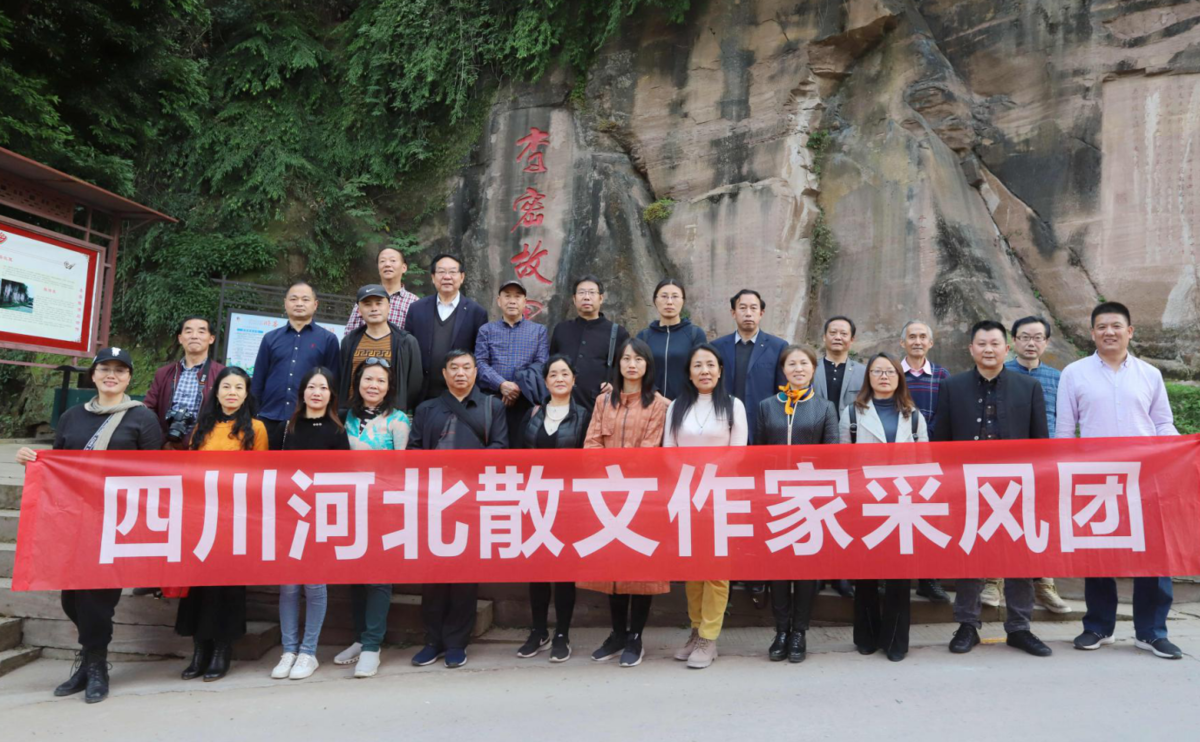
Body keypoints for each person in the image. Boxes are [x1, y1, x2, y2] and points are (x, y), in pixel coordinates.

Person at [15, 348, 162, 704]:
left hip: (116, 523)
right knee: (72, 599)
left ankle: (96, 666)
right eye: (105, 369)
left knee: (97, 598)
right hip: (72, 520)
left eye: (120, 370)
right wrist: (32, 461)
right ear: (93, 375)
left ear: (129, 378)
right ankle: (88, 661)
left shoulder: (142, 419)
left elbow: (156, 472)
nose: (111, 375)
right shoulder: (71, 417)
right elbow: (57, 465)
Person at [1058, 302, 1183, 660]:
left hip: (1146, 476)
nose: (1108, 332)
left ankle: (1151, 632)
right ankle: (1099, 626)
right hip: (1095, 478)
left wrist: (1180, 453)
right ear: (1092, 333)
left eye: (1116, 326)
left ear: (1130, 331)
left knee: (1153, 553)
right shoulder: (1074, 373)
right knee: (1098, 553)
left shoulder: (1149, 374)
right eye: (1101, 326)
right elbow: (1065, 430)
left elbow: (1163, 424)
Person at [932, 320, 1052, 658]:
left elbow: (1040, 444)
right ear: (971, 348)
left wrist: (1038, 487)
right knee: (970, 555)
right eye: (981, 343)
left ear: (1006, 348)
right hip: (967, 487)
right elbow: (940, 441)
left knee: (1019, 558)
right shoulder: (952, 387)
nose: (988, 349)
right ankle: (967, 625)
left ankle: (1019, 627)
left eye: (995, 343)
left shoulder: (1028, 387)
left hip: (1016, 487)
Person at [408, 350, 507, 669]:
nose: (461, 373)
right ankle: (432, 640)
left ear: (476, 372)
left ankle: (456, 642)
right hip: (434, 500)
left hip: (471, 500)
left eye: (467, 367)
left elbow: (500, 448)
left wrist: (463, 465)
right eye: (454, 368)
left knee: (464, 574)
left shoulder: (492, 406)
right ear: (444, 373)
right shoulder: (427, 409)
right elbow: (413, 450)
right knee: (433, 573)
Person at [580, 338, 670, 667]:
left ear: (648, 365)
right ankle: (617, 633)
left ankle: (635, 637)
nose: (632, 364)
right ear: (618, 364)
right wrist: (607, 478)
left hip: (641, 497)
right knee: (612, 567)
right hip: (606, 495)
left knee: (640, 569)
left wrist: (618, 473)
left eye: (638, 359)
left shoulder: (660, 404)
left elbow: (649, 451)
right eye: (626, 359)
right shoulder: (604, 401)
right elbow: (591, 444)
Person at [177, 366, 269, 681]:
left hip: (234, 518)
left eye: (239, 388)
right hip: (201, 516)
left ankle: (221, 649)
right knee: (198, 584)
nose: (232, 392)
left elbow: (259, 476)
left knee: (226, 585)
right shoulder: (201, 427)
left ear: (246, 394)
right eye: (226, 386)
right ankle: (199, 649)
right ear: (216, 392)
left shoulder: (256, 428)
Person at [839, 353, 928, 662]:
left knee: (899, 575)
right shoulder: (852, 413)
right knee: (865, 573)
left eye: (889, 371)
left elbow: (924, 463)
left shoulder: (913, 415)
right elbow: (843, 462)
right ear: (868, 377)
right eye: (877, 371)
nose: (884, 376)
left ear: (899, 376)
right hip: (865, 502)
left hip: (903, 503)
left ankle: (895, 642)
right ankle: (866, 637)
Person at [664, 344, 748, 669]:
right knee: (693, 567)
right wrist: (690, 478)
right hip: (685, 494)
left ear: (720, 370)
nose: (705, 371)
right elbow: (668, 449)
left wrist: (707, 476)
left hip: (721, 495)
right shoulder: (677, 406)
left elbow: (738, 451)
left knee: (716, 569)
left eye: (710, 365)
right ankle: (696, 629)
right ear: (689, 372)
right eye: (698, 365)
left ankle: (709, 638)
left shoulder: (733, 405)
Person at [754, 344, 839, 663]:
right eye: (792, 364)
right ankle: (781, 630)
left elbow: (832, 455)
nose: (798, 369)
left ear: (813, 369)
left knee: (805, 568)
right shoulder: (767, 406)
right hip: (775, 500)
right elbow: (758, 453)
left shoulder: (824, 407)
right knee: (778, 567)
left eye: (804, 363)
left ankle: (800, 631)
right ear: (783, 369)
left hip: (809, 500)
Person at [333, 358, 412, 678]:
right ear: (358, 383)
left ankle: (372, 646)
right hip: (348, 505)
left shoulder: (398, 420)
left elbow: (402, 469)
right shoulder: (343, 417)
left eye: (380, 380)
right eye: (368, 379)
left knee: (379, 576)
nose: (373, 385)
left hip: (383, 507)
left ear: (389, 386)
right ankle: (359, 637)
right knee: (355, 574)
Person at [271, 367, 350, 681]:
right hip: (288, 516)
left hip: (319, 517)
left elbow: (342, 479)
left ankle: (308, 652)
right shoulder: (285, 429)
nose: (317, 393)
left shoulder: (336, 431)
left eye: (324, 388)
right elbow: (270, 473)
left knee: (315, 585)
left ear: (331, 395)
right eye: (312, 387)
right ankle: (289, 650)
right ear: (302, 391)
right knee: (288, 585)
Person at [514, 355, 592, 662]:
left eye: (565, 373)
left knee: (563, 570)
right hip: (534, 500)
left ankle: (562, 633)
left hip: (567, 503)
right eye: (553, 374)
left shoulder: (584, 416)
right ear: (546, 382)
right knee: (536, 569)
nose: (559, 378)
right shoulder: (533, 413)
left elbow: (587, 460)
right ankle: (538, 631)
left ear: (574, 379)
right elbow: (519, 455)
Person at [1003, 316, 1069, 614]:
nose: (1031, 343)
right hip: (1007, 461)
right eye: (1025, 337)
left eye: (1038, 338)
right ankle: (993, 580)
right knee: (1001, 518)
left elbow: (1064, 419)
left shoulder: (1058, 377)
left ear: (1046, 342)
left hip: (1046, 463)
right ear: (1014, 340)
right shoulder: (1001, 372)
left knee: (1044, 522)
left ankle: (1045, 583)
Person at [251, 281, 341, 449]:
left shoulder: (328, 339)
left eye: (305, 299)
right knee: (266, 463)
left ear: (315, 305)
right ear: (285, 303)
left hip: (308, 420)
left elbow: (332, 383)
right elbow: (258, 380)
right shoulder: (270, 338)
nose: (299, 303)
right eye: (293, 299)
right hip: (269, 417)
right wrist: (253, 415)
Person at [812, 315, 865, 599]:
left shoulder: (863, 372)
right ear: (824, 337)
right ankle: (819, 570)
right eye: (833, 332)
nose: (838, 337)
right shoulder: (810, 368)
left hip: (849, 449)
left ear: (852, 340)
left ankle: (843, 572)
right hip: (815, 448)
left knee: (846, 511)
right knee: (817, 510)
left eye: (844, 333)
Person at [899, 319, 951, 604]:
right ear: (902, 342)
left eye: (922, 337)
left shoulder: (942, 375)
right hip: (897, 457)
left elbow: (946, 413)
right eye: (912, 337)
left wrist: (927, 442)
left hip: (932, 458)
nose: (917, 341)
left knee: (930, 516)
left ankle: (928, 579)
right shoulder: (893, 372)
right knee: (895, 514)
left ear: (930, 343)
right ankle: (892, 576)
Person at [402, 253, 488, 401]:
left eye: (453, 272)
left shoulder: (476, 312)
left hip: (460, 394)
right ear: (433, 277)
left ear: (462, 277)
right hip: (422, 393)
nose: (447, 277)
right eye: (441, 272)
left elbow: (479, 356)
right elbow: (407, 349)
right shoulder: (416, 309)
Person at [711, 289, 787, 443]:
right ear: (733, 313)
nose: (748, 313)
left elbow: (782, 391)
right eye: (742, 308)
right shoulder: (716, 347)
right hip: (724, 424)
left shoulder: (778, 347)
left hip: (763, 426)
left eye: (753, 308)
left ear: (761, 313)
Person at [475, 278, 549, 436]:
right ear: (499, 301)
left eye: (517, 296)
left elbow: (541, 364)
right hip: (493, 400)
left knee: (522, 445)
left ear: (525, 301)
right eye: (507, 296)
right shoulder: (486, 330)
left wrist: (517, 387)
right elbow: (480, 363)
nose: (512, 301)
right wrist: (501, 384)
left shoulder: (538, 331)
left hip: (526, 401)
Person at [548, 275, 631, 410]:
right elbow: (550, 364)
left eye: (592, 293)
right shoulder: (561, 329)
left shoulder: (618, 333)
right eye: (581, 293)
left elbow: (626, 370)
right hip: (561, 405)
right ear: (574, 299)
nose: (586, 297)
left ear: (601, 298)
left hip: (598, 407)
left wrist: (614, 386)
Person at [338, 284, 422, 415]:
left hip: (390, 418)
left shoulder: (406, 342)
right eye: (367, 304)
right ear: (359, 310)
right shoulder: (349, 342)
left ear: (389, 307)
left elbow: (414, 386)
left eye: (379, 303)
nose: (374, 308)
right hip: (353, 416)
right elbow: (342, 378)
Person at [142, 316, 225, 449]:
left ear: (211, 339)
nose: (194, 336)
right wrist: (163, 440)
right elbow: (148, 409)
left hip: (206, 446)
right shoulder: (163, 373)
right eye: (188, 331)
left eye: (201, 331)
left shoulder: (222, 374)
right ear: (180, 338)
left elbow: (228, 413)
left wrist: (198, 441)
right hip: (167, 446)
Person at [636, 278, 708, 400]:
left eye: (675, 297)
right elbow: (637, 373)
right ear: (655, 300)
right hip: (650, 403)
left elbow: (702, 371)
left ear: (683, 301)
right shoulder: (644, 336)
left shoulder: (695, 334)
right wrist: (657, 396)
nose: (669, 302)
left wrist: (679, 403)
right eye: (664, 296)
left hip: (686, 404)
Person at [344, 245, 418, 335]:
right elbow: (350, 334)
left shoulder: (414, 302)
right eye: (382, 261)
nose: (387, 264)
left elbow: (417, 337)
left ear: (404, 268)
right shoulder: (365, 296)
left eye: (393, 260)